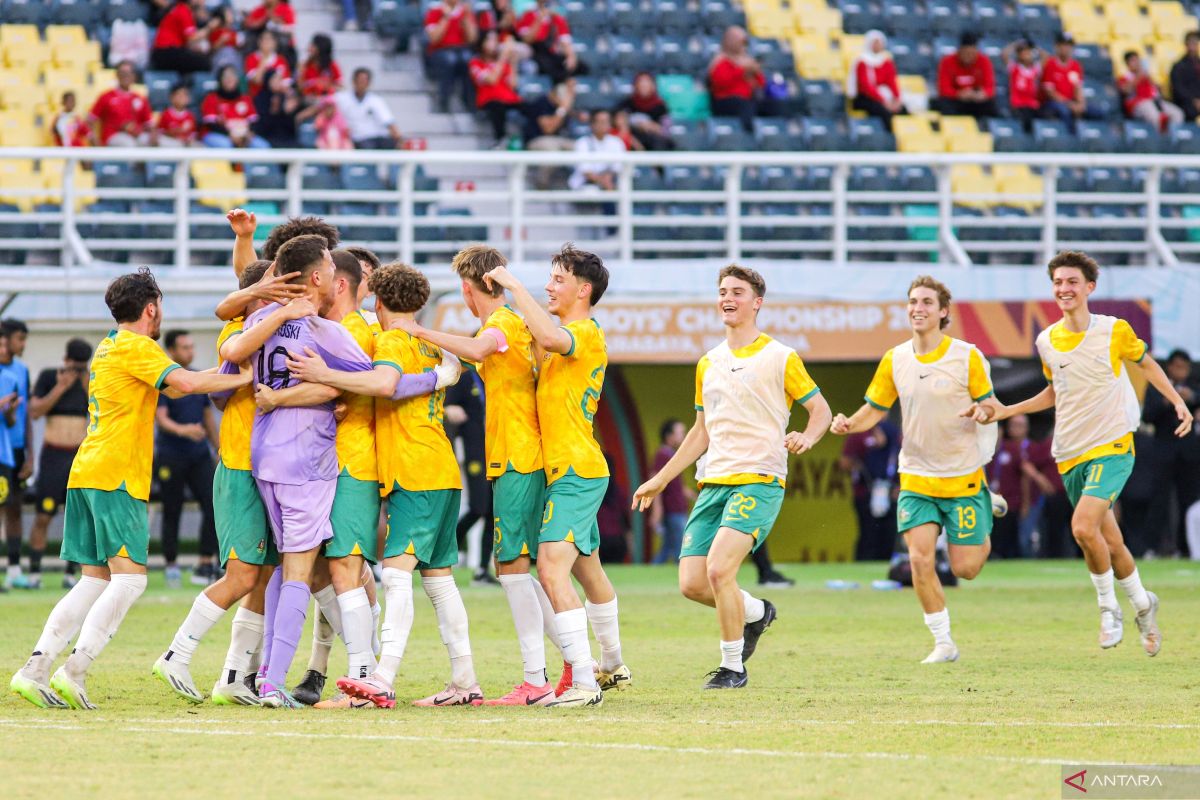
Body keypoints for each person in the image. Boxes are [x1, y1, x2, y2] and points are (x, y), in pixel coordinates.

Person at [8, 269, 251, 710]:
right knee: (131, 580)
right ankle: (73, 670)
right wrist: (245, 379)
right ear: (152, 308)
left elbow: (182, 382)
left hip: (87, 471)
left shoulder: (108, 345)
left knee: (94, 580)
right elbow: (186, 386)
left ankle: (34, 670)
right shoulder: (140, 346)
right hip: (116, 475)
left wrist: (230, 371)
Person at [965, 250, 1193, 655]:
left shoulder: (1114, 330)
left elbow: (1147, 364)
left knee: (1083, 527)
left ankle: (1109, 609)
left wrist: (1176, 399)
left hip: (1113, 446)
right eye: (1057, 282)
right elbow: (1056, 392)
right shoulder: (1046, 340)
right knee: (1111, 542)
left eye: (1072, 281)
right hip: (1070, 452)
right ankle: (1143, 604)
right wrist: (1008, 408)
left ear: (1090, 287)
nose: (1064, 289)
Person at [289, 263, 485, 709]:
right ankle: (465, 680)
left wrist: (323, 375)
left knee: (396, 576)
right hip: (439, 469)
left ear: (377, 301)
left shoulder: (394, 339)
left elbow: (385, 384)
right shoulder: (430, 343)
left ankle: (381, 677)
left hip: (415, 471)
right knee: (438, 582)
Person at [635, 265, 831, 689]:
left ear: (757, 302)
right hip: (713, 483)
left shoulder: (780, 356)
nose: (727, 297)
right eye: (722, 291)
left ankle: (732, 667)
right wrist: (661, 479)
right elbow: (700, 432)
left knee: (720, 571)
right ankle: (758, 612)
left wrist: (808, 437)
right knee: (691, 583)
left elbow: (821, 411)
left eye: (737, 292)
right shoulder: (709, 362)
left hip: (759, 479)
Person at [392, 245, 563, 706]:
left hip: (518, 457)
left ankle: (538, 679)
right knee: (522, 568)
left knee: (512, 567)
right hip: (517, 455)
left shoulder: (502, 323)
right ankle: (573, 665)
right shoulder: (507, 324)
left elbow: (476, 348)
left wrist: (417, 328)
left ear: (471, 289)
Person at [481, 246, 630, 707]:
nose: (550, 285)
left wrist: (514, 288)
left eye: (558, 279)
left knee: (549, 568)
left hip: (576, 472)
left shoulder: (584, 332)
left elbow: (548, 338)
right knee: (589, 570)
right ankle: (612, 662)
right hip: (567, 469)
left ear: (583, 290)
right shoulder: (565, 334)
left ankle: (584, 683)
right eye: (548, 278)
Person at [249, 251, 394, 709]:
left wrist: (276, 397)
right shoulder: (327, 330)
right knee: (304, 572)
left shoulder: (264, 318)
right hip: (309, 461)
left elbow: (231, 353)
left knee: (285, 569)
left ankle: (265, 675)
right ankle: (277, 683)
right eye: (330, 269)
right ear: (318, 277)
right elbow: (375, 382)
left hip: (263, 453)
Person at [832, 276, 1002, 664]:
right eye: (912, 302)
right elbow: (874, 409)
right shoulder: (895, 358)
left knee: (966, 568)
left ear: (943, 311)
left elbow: (991, 404)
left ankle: (986, 509)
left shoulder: (968, 356)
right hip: (916, 478)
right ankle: (943, 641)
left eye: (927, 302)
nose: (917, 308)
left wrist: (982, 410)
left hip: (962, 479)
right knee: (920, 560)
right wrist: (849, 423)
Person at [151, 261, 284, 707]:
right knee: (242, 573)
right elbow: (232, 351)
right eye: (275, 289)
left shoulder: (276, 330)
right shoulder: (236, 330)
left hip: (271, 468)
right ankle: (177, 653)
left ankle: (234, 675)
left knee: (263, 576)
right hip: (240, 466)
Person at [24, 339, 92, 591]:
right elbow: (35, 411)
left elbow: (102, 411)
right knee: (44, 514)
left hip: (78, 456)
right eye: (73, 366)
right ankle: (34, 571)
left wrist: (86, 386)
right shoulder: (49, 377)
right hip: (53, 455)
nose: (76, 372)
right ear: (65, 361)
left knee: (78, 517)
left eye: (81, 368)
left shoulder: (90, 381)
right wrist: (60, 388)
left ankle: (71, 572)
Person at [154, 330, 219, 589]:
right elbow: (161, 418)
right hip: (171, 455)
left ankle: (204, 563)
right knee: (172, 509)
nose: (189, 351)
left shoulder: (197, 378)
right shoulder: (165, 380)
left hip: (199, 454)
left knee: (213, 503)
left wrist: (218, 448)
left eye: (192, 347)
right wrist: (184, 431)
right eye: (184, 347)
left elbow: (207, 418)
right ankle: (171, 565)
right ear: (172, 350)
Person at [1141, 349, 1200, 556]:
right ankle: (1152, 547)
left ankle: (1186, 549)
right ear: (1169, 367)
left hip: (1189, 454)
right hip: (1163, 453)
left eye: (1184, 367)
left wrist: (1190, 398)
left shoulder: (1194, 386)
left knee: (1189, 501)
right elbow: (1146, 415)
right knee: (1159, 500)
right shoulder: (1158, 385)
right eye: (1176, 366)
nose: (1180, 371)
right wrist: (1169, 400)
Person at [442, 372, 497, 586]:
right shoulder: (466, 379)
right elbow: (445, 406)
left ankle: (482, 570)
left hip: (497, 450)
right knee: (478, 507)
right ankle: (445, 545)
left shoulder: (494, 377)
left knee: (493, 512)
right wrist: (449, 409)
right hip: (475, 451)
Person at [839, 420, 900, 562]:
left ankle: (885, 567)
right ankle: (863, 566)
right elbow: (845, 462)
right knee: (868, 535)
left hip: (890, 493)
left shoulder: (894, 432)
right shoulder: (859, 433)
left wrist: (900, 486)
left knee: (888, 535)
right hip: (865, 492)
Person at [0, 320, 30, 588]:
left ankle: (14, 567)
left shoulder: (18, 373)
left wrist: (30, 454)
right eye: (19, 339)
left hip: (12, 450)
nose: (22, 345)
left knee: (14, 508)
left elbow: (23, 415)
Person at [648, 419, 693, 564]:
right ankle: (685, 576)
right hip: (673, 511)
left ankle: (652, 573)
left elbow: (676, 485)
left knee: (667, 548)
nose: (683, 436)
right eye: (680, 433)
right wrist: (657, 509)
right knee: (681, 548)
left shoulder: (671, 454)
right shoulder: (663, 455)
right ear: (669, 436)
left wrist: (692, 495)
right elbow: (656, 481)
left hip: (677, 510)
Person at [708, 26, 766, 132]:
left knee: (773, 105)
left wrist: (755, 72)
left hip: (748, 99)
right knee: (744, 106)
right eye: (741, 41)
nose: (744, 45)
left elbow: (760, 83)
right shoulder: (721, 60)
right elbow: (720, 83)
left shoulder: (747, 59)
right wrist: (741, 70)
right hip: (726, 101)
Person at [425, 0, 479, 113]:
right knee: (449, 60)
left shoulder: (465, 12)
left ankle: (470, 102)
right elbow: (434, 39)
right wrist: (446, 17)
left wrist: (466, 18)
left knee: (469, 60)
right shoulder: (435, 11)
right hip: (440, 50)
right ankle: (444, 101)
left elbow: (472, 39)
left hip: (461, 49)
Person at [469, 30, 523, 144]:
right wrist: (503, 57)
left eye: (495, 40)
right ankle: (500, 140)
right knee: (498, 107)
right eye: (490, 40)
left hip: (509, 99)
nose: (494, 43)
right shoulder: (476, 63)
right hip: (489, 100)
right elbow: (491, 80)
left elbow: (513, 85)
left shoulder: (505, 63)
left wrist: (513, 62)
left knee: (532, 107)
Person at [848, 30, 905, 132]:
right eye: (875, 43)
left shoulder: (886, 62)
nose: (878, 45)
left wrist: (896, 99)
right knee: (884, 113)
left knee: (903, 111)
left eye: (880, 43)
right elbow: (866, 86)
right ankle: (890, 139)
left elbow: (892, 82)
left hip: (884, 97)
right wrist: (883, 101)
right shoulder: (862, 62)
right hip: (866, 98)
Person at [202, 66, 270, 149]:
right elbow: (211, 124)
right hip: (219, 135)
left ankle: (247, 162)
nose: (230, 79)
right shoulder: (212, 98)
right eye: (226, 76)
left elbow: (254, 121)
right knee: (226, 145)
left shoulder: (245, 98)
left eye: (232, 75)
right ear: (220, 80)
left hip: (244, 135)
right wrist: (230, 134)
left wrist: (248, 134)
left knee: (262, 146)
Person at [334, 68, 403, 150]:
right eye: (360, 80)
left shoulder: (376, 100)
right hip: (358, 138)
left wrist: (399, 138)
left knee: (393, 145)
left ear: (369, 83)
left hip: (377, 137)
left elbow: (388, 121)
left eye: (365, 81)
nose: (362, 83)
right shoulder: (341, 98)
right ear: (353, 81)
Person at [933, 32, 997, 119]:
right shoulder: (946, 62)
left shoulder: (984, 61)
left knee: (991, 105)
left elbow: (990, 88)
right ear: (960, 50)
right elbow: (943, 89)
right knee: (944, 104)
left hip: (975, 100)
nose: (968, 57)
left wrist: (982, 94)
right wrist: (958, 94)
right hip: (956, 100)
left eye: (972, 53)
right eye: (966, 53)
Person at [88, 61, 153, 147]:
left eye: (128, 73)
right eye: (122, 73)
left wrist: (151, 134)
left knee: (149, 141)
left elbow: (149, 123)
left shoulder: (140, 98)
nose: (125, 76)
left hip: (136, 135)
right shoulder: (106, 96)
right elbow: (90, 119)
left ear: (134, 76)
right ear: (117, 75)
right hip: (113, 135)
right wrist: (94, 139)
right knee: (129, 144)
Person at [1119, 51, 1184, 133]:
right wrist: (1139, 77)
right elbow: (1125, 90)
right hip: (1138, 104)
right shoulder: (1125, 77)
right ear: (1127, 63)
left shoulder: (1147, 76)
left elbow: (1156, 92)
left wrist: (1153, 83)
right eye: (1133, 61)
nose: (1136, 63)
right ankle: (1156, 141)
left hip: (1154, 102)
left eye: (1137, 60)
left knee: (1177, 113)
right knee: (1154, 116)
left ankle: (1172, 139)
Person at [516, 0, 580, 84]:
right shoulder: (528, 15)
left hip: (552, 53)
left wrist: (571, 56)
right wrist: (539, 19)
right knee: (552, 69)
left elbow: (565, 40)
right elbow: (527, 39)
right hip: (536, 52)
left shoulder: (556, 18)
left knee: (577, 67)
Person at [1040, 33, 1090, 132]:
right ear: (1057, 47)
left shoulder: (1076, 65)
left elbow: (1078, 87)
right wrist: (1069, 104)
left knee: (1097, 112)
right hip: (1051, 103)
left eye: (1069, 45)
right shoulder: (1050, 63)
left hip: (1071, 102)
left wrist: (1081, 103)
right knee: (1064, 111)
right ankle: (1070, 141)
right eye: (1063, 45)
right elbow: (1049, 92)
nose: (1067, 48)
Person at [150, 0, 215, 74]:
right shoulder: (183, 10)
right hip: (165, 52)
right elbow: (192, 38)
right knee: (204, 63)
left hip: (165, 52)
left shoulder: (180, 9)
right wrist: (210, 28)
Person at [616, 72, 675, 151]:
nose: (643, 86)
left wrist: (651, 126)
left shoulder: (661, 106)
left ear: (653, 86)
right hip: (633, 139)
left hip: (654, 140)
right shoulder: (627, 104)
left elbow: (666, 130)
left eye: (646, 84)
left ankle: (657, 163)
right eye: (641, 83)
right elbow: (618, 120)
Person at [570, 109, 624, 192]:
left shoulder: (616, 142)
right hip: (585, 186)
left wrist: (608, 179)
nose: (604, 125)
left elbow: (618, 166)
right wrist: (602, 181)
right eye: (601, 122)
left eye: (606, 122)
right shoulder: (582, 143)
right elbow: (585, 170)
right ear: (592, 124)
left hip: (610, 184)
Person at [253, 70, 302, 149]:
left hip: (287, 138)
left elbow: (291, 128)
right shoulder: (260, 99)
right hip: (267, 138)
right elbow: (259, 127)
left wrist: (288, 113)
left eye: (279, 79)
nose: (278, 82)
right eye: (275, 79)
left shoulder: (286, 97)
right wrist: (273, 110)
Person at [1002, 39, 1041, 132]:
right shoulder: (1014, 68)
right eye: (1023, 52)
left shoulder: (1035, 69)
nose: (1026, 54)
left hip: (1032, 104)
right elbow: (1004, 54)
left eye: (1028, 51)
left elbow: (1046, 57)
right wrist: (1016, 44)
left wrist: (1035, 47)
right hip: (1018, 104)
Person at [245, 29, 292, 99]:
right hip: (257, 98)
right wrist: (264, 58)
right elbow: (257, 80)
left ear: (275, 43)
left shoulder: (281, 60)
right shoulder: (251, 58)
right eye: (264, 39)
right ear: (259, 42)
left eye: (269, 39)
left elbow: (286, 84)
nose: (266, 42)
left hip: (277, 99)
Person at [300, 34, 344, 100]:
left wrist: (327, 85)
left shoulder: (332, 65)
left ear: (321, 48)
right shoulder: (304, 65)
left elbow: (341, 88)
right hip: (308, 100)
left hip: (327, 101)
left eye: (312, 45)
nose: (309, 48)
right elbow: (300, 87)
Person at [1169, 31, 1200, 123]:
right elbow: (1179, 89)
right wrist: (1194, 100)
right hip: (1187, 102)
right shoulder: (1179, 66)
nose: (1193, 46)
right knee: (1189, 111)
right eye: (1190, 42)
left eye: (1195, 42)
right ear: (1186, 44)